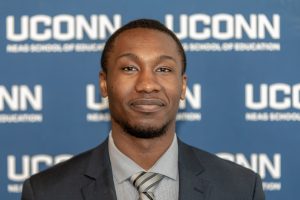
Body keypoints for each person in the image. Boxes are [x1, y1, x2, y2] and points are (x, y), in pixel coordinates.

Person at [21, 19, 265, 200]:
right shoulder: (46, 192)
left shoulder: (241, 189)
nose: (147, 84)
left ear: (182, 86)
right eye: (129, 68)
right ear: (104, 83)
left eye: (163, 69)